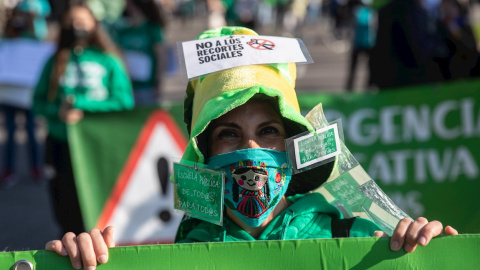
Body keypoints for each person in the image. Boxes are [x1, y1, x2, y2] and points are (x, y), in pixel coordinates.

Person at [45, 26, 458, 270]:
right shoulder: (185, 254)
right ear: (204, 153)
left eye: (269, 131)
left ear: (293, 146)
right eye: (228, 134)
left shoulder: (356, 240)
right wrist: (85, 264)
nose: (251, 148)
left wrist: (427, 254)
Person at [33, 2, 134, 236]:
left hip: (98, 146)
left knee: (97, 207)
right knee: (65, 206)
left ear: (93, 24)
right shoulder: (55, 61)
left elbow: (124, 102)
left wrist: (81, 105)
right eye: (70, 23)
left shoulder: (109, 61)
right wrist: (56, 111)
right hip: (61, 144)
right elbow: (37, 101)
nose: (75, 27)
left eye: (81, 22)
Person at [111, 0, 167, 106]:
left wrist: (158, 83)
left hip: (146, 88)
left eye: (131, 6)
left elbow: (161, 58)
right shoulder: (121, 30)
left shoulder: (152, 29)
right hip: (126, 87)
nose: (129, 9)